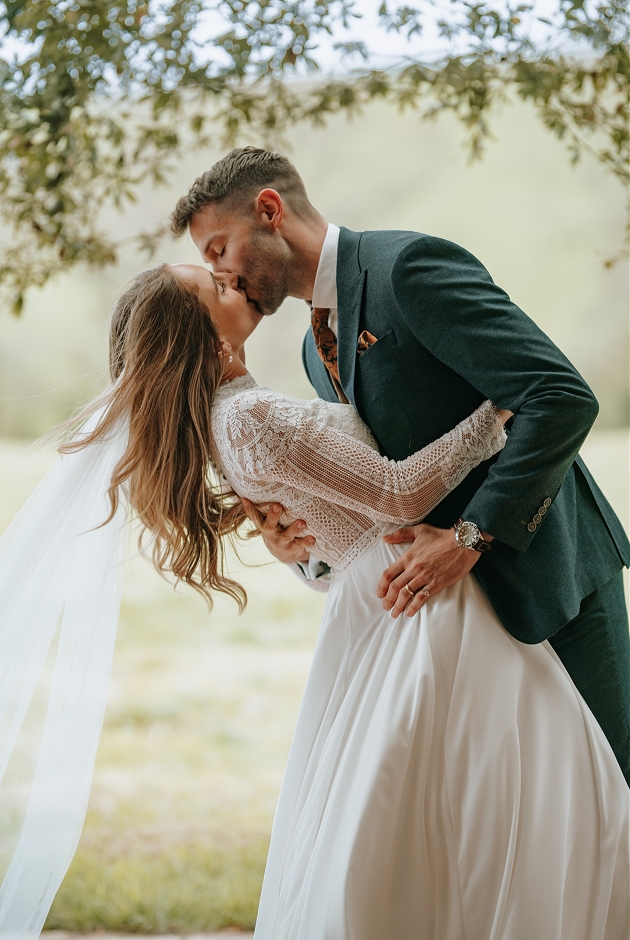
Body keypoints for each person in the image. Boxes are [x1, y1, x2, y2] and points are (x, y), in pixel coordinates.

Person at [0, 262, 627, 937]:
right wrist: (495, 408)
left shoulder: (233, 413)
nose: (230, 281)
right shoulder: (247, 416)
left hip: (376, 592)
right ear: (207, 340)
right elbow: (398, 494)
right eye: (215, 288)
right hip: (412, 602)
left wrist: (301, 557)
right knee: (521, 785)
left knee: (454, 798)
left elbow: (330, 537)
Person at [170, 146, 630, 790]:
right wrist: (304, 553)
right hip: (453, 624)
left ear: (269, 211)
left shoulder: (407, 268)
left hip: (550, 577)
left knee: (614, 798)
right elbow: (370, 497)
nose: (221, 272)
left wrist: (473, 535)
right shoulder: (313, 348)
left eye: (219, 249)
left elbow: (560, 397)